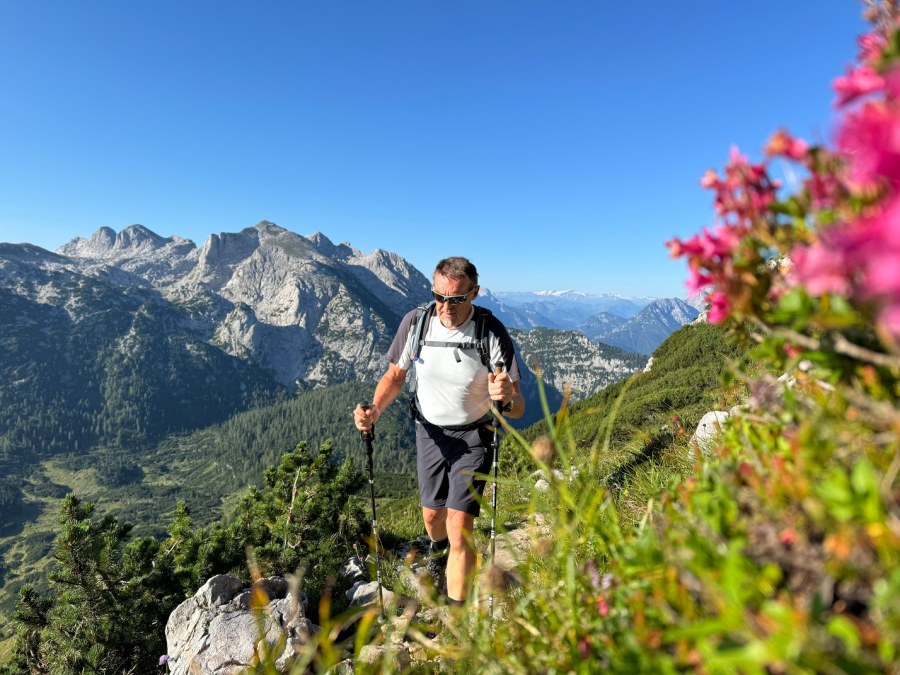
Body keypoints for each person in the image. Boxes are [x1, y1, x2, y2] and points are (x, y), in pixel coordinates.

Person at [354, 256, 524, 606]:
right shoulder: (417, 323)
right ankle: (437, 551)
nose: (446, 306)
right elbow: (395, 376)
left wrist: (507, 396)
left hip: (474, 436)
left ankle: (457, 618)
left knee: (460, 529)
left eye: (457, 298)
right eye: (439, 296)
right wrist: (374, 411)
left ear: (474, 293)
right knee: (433, 517)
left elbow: (517, 406)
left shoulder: (491, 332)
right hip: (429, 432)